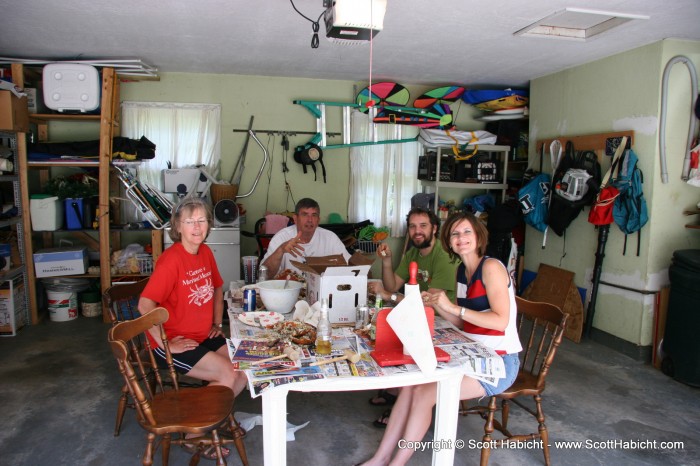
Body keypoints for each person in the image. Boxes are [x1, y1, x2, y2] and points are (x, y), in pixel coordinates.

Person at [358, 211, 522, 466]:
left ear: (478, 235)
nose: (461, 238)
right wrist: (441, 305)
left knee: (424, 393)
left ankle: (395, 464)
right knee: (411, 384)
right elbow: (462, 323)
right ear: (448, 240)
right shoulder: (461, 272)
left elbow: (500, 320)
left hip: (498, 363)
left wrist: (453, 308)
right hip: (471, 351)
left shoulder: (490, 267)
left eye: (467, 231)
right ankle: (380, 458)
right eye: (455, 233)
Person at [138, 197, 248, 460]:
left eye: (202, 220)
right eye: (190, 222)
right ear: (178, 226)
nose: (197, 227)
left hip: (201, 335)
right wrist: (167, 343)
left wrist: (215, 323)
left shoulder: (206, 252)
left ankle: (211, 417)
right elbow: (144, 305)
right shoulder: (171, 260)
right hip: (171, 342)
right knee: (226, 374)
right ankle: (194, 435)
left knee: (244, 368)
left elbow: (218, 286)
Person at [366, 207, 458, 425]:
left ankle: (402, 405)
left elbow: (430, 305)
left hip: (443, 323)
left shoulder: (443, 257)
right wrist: (386, 262)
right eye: (413, 226)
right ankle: (398, 391)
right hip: (419, 318)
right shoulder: (413, 253)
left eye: (423, 226)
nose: (417, 231)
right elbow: (393, 284)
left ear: (434, 228)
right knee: (378, 330)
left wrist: (389, 295)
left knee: (400, 338)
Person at [261, 198, 350, 277]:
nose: (310, 220)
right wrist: (280, 250)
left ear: (318, 220)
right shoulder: (281, 238)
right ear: (295, 219)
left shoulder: (330, 238)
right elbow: (264, 275)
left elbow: (350, 267)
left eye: (314, 215)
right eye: (304, 214)